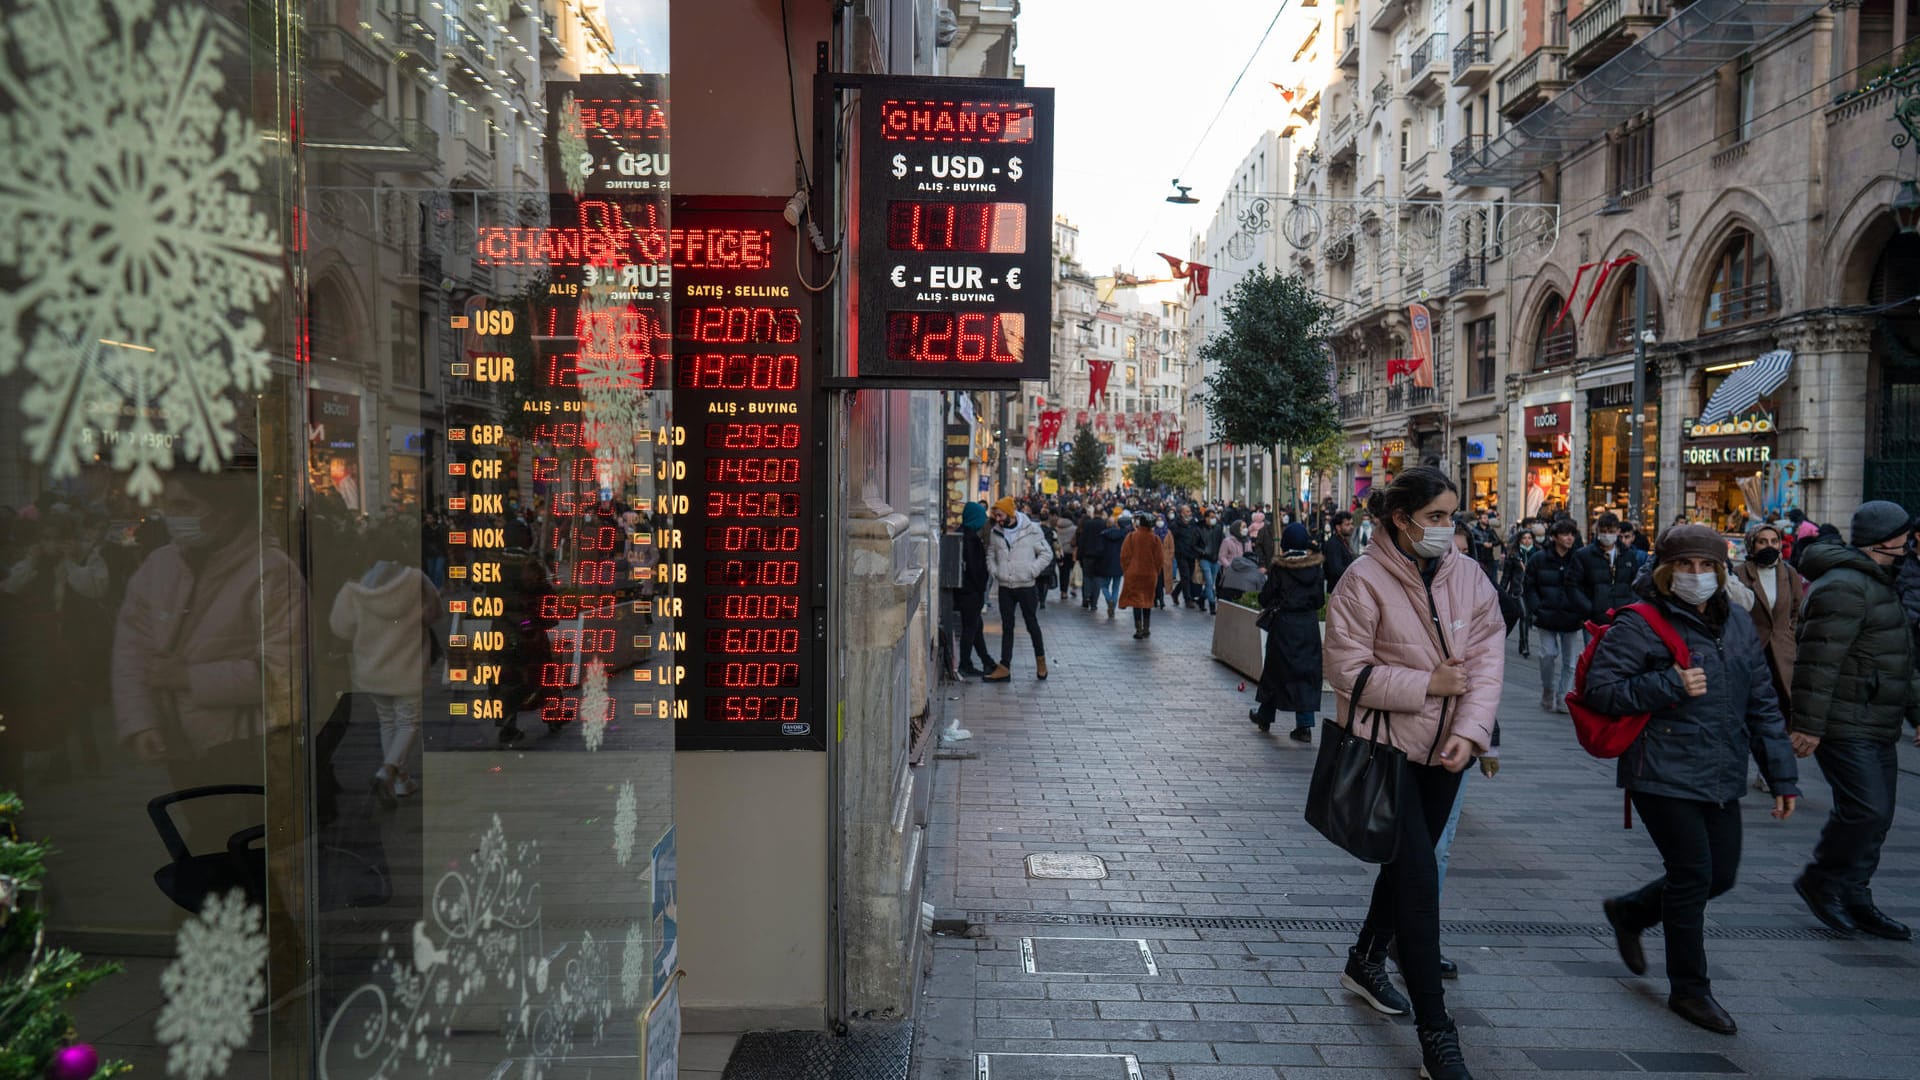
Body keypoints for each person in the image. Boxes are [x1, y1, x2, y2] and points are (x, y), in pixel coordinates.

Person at [1318, 467, 1504, 1080]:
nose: (1449, 529)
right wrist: (1429, 684)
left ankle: (1366, 959)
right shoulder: (1361, 581)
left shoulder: (1470, 576)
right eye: (1438, 517)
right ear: (1402, 519)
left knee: (1404, 869)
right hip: (1387, 754)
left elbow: (1487, 659)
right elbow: (1348, 671)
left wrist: (1469, 732)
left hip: (1446, 753)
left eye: (1454, 517)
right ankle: (1437, 1033)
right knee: (1420, 882)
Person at [1583, 524, 1800, 1034]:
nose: (1697, 576)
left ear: (1723, 572)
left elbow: (1763, 701)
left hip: (1722, 768)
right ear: (1665, 570)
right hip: (1660, 769)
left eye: (1707, 567)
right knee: (1693, 875)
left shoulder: (1739, 623)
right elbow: (1601, 690)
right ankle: (1691, 990)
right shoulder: (1642, 623)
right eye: (1685, 566)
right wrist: (1667, 684)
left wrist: (1782, 775)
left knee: (1720, 876)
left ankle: (1631, 912)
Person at [1788, 502, 1920, 940]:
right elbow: (1817, 661)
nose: (1912, 543)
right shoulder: (1844, 586)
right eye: (1908, 536)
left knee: (1877, 817)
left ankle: (1856, 895)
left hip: (1877, 719)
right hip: (1846, 721)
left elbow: (1901, 660)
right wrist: (1807, 725)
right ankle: (1821, 880)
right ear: (1887, 541)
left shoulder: (1879, 583)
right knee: (1867, 809)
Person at [329, 525, 441, 802]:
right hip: (408, 664)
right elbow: (435, 611)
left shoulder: (355, 589)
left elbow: (340, 627)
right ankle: (388, 771)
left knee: (387, 721)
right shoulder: (416, 579)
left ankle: (400, 780)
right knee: (408, 721)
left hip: (372, 667)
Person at [1250, 522, 1325, 743]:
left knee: (1276, 671)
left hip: (1284, 625)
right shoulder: (1316, 569)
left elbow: (1266, 597)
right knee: (1306, 674)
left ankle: (1265, 716)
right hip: (1308, 626)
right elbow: (1320, 600)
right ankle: (1304, 726)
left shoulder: (1280, 568)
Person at [982, 497, 1053, 682]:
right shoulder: (996, 532)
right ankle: (1004, 666)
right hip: (1006, 586)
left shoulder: (1031, 530)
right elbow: (990, 553)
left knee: (1032, 624)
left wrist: (1032, 570)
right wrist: (996, 571)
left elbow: (1047, 553)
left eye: (1000, 515)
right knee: (1007, 627)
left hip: (1026, 586)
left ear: (1010, 513)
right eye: (995, 515)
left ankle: (1041, 662)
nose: (997, 519)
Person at [1734, 522, 1801, 709]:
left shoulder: (1789, 573)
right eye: (1762, 542)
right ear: (1752, 545)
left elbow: (1798, 609)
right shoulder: (1739, 573)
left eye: (1774, 541)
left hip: (1783, 651)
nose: (1769, 546)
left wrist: (1791, 633)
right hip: (1752, 649)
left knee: (1782, 703)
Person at [1526, 519, 1587, 711]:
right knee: (1548, 654)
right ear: (1554, 537)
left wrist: (1582, 607)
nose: (1569, 538)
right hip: (1547, 615)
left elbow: (1586, 584)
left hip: (1571, 616)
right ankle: (1548, 689)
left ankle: (1563, 697)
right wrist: (1537, 608)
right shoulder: (1539, 559)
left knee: (1570, 662)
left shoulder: (1578, 559)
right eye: (1565, 534)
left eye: (1572, 534)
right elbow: (1529, 586)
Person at [955, 502, 997, 677]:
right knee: (970, 628)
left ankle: (986, 661)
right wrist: (982, 587)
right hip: (971, 592)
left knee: (976, 627)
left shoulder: (961, 534)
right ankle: (965, 663)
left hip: (965, 592)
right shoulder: (971, 539)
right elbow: (975, 569)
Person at [1575, 512, 1639, 625]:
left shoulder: (1628, 555)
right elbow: (1573, 585)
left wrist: (1630, 606)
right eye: (1603, 531)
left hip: (1622, 617)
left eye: (1611, 532)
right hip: (1594, 619)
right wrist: (1588, 607)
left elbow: (1635, 583)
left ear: (1618, 531)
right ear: (1597, 531)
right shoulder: (1583, 555)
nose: (1607, 535)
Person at [1119, 513, 1161, 639]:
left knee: (1136, 601)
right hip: (1150, 574)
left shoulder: (1131, 537)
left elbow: (1124, 556)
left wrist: (1127, 570)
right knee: (1147, 601)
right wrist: (1155, 571)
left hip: (1133, 574)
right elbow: (1159, 559)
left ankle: (1138, 630)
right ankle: (1146, 628)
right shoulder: (1155, 539)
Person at [1500, 529, 1535, 658]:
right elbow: (1506, 576)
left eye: (1529, 538)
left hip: (1531, 591)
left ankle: (1505, 639)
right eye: (1524, 538)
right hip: (1517, 590)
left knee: (1519, 617)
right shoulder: (1514, 555)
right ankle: (1524, 646)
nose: (1527, 541)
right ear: (1520, 540)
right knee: (1524, 615)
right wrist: (1501, 592)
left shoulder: (1537, 553)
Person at [1092, 512, 1127, 617]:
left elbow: (1099, 550)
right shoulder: (1123, 535)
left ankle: (1109, 600)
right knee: (1116, 588)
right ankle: (1113, 606)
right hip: (1118, 564)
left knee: (1104, 586)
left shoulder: (1103, 535)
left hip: (1106, 564)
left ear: (1107, 524)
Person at [1077, 508, 1108, 611]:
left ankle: (1086, 597)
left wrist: (1079, 555)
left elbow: (1082, 540)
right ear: (1102, 514)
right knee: (1097, 579)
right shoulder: (1104, 524)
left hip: (1087, 555)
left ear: (1094, 513)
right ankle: (1094, 603)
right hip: (1100, 556)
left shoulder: (1087, 524)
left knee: (1087, 577)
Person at [1173, 505, 1203, 609]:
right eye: (1187, 511)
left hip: (1192, 553)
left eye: (1189, 511)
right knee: (1185, 576)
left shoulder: (1193, 523)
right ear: (1181, 513)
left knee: (1188, 576)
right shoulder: (1176, 524)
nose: (1189, 513)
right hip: (1181, 554)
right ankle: (1188, 599)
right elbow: (1173, 537)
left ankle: (1175, 592)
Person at [1196, 508, 1225, 614]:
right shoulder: (1199, 528)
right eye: (1211, 517)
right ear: (1206, 518)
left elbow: (1222, 541)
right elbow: (1194, 544)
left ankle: (1201, 599)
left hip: (1215, 559)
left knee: (1211, 582)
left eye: (1215, 517)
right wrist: (1202, 552)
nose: (1214, 519)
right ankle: (1212, 604)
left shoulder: (1218, 528)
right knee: (1209, 582)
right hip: (1205, 559)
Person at [1322, 509, 1358, 588]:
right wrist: (1355, 568)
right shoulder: (1333, 544)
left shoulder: (1343, 541)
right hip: (1337, 589)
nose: (1351, 527)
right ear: (1338, 527)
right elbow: (1336, 570)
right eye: (1347, 524)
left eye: (1352, 524)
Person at [1054, 509, 1079, 604]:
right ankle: (1073, 588)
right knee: (1072, 571)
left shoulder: (1057, 527)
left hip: (1059, 552)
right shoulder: (1074, 528)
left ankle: (1063, 592)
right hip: (1070, 552)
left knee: (1062, 572)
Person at [1153, 512, 1176, 609]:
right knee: (1156, 580)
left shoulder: (1168, 532)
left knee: (1162, 581)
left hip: (1166, 561)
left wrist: (1170, 557)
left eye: (1161, 520)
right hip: (1155, 561)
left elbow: (1172, 547)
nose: (1159, 522)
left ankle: (1159, 598)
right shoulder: (1153, 532)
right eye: (1157, 520)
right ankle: (1159, 599)